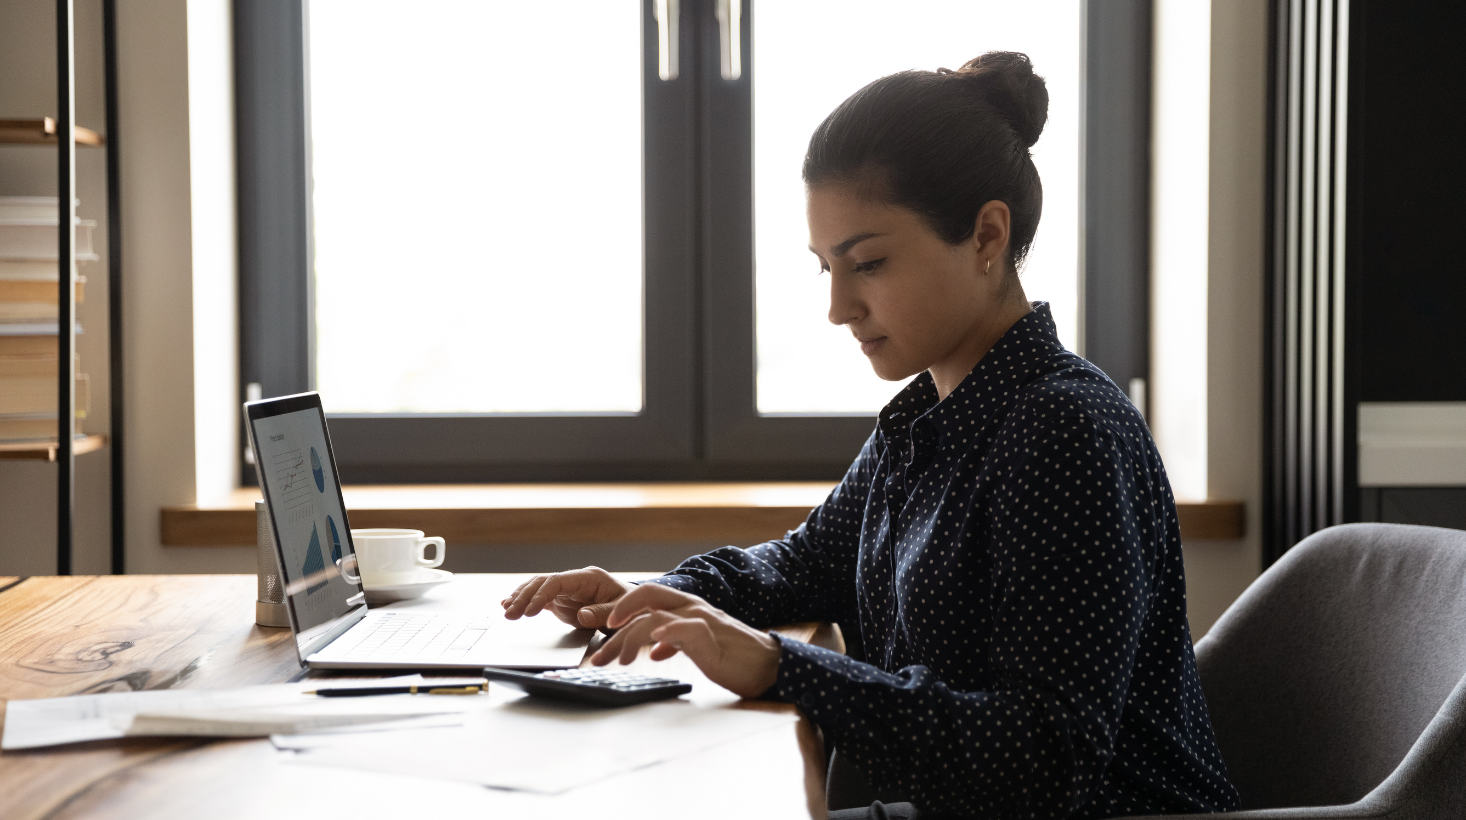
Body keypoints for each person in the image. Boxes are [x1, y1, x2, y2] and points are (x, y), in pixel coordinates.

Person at [502, 51, 1240, 820]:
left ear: (988, 233)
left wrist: (781, 665)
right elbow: (805, 563)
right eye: (827, 269)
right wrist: (663, 597)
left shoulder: (1065, 431)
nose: (839, 307)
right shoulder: (928, 414)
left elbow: (1045, 759)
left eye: (870, 263)